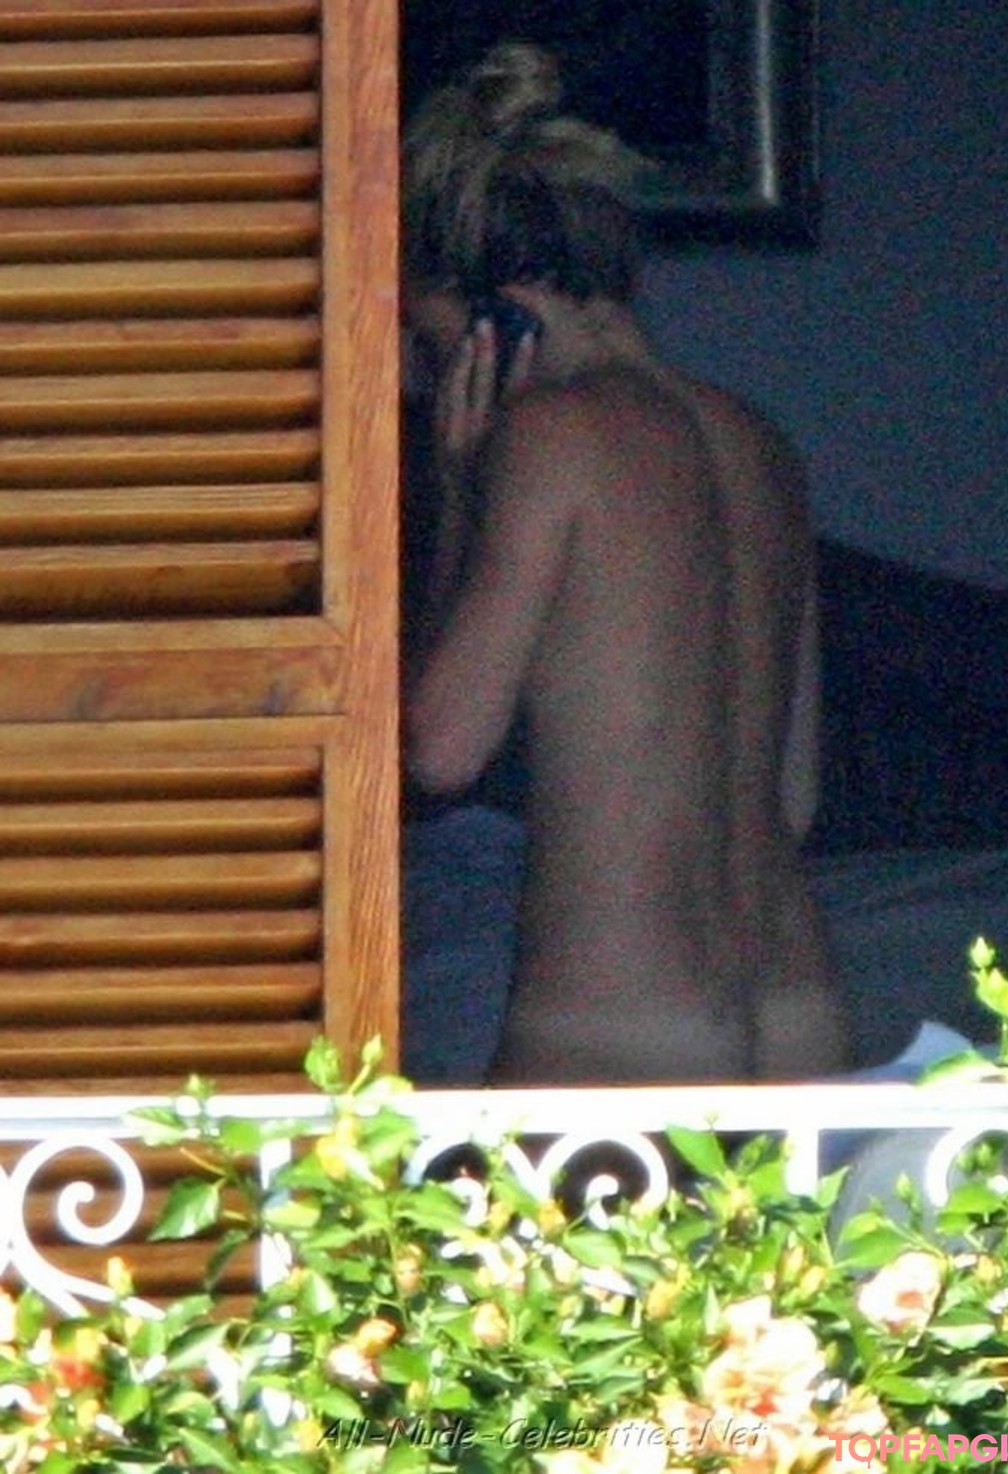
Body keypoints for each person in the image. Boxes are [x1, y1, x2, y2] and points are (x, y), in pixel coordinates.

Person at [402, 42, 849, 1083]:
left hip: (618, 1037)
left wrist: (457, 496)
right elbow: (792, 802)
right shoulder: (759, 443)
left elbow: (439, 749)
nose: (416, 373)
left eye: (423, 339)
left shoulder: (551, 437)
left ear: (496, 311)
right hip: (798, 1022)